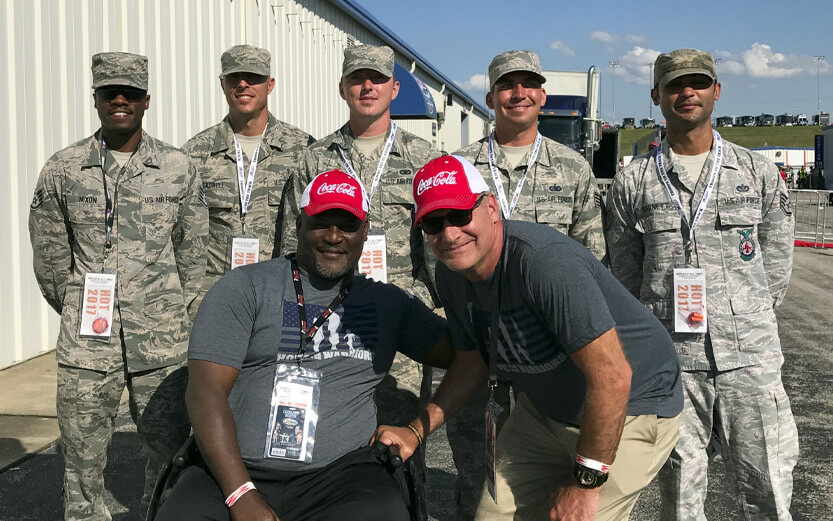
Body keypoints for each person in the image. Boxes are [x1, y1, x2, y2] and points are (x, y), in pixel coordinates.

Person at [375, 155, 683, 521]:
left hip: (631, 405)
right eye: (434, 223)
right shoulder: (451, 274)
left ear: (491, 208)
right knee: (492, 515)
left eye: (459, 215)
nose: (450, 234)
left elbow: (613, 377)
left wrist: (585, 483)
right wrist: (415, 431)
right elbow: (471, 362)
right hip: (546, 411)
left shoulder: (544, 263)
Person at [154, 170, 454, 521]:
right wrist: (240, 493)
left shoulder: (387, 303)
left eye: (347, 226)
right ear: (298, 225)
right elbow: (205, 392)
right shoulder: (245, 288)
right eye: (321, 223)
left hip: (343, 476)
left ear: (365, 233)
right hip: (236, 471)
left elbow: (466, 353)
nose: (333, 236)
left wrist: (417, 429)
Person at [605, 48, 798, 520]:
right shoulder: (634, 181)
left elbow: (776, 265)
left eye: (698, 82)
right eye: (674, 84)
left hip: (749, 362)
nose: (687, 92)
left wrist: (744, 319)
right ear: (656, 95)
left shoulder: (756, 172)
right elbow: (626, 277)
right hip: (672, 363)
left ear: (716, 91)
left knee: (768, 489)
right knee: (679, 496)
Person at [28, 52, 207, 520]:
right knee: (81, 463)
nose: (120, 100)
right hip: (88, 345)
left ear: (147, 100)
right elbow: (50, 258)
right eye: (110, 92)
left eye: (130, 92)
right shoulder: (64, 168)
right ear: (96, 99)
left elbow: (193, 251)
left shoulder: (177, 167)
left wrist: (169, 310)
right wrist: (78, 305)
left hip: (161, 342)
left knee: (170, 456)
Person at [448, 49, 606, 520]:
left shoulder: (572, 169)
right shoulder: (458, 168)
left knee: (551, 471)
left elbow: (592, 261)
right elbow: (439, 250)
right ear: (490, 97)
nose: (518, 93)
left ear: (542, 96)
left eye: (528, 84)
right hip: (482, 348)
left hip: (550, 349)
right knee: (477, 470)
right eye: (506, 84)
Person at [279, 44, 438, 509]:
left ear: (395, 88)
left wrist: (424, 307)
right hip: (330, 325)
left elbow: (439, 253)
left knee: (402, 452)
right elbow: (291, 248)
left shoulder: (424, 159)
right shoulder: (313, 160)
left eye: (377, 79)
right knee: (328, 445)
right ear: (342, 88)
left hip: (401, 323)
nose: (367, 86)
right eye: (356, 78)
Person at [183, 44, 314, 306]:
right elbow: (183, 236)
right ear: (222, 84)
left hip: (278, 296)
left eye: (253, 77)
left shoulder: (303, 150)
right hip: (215, 298)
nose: (243, 84)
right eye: (234, 77)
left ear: (270, 84)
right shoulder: (195, 153)